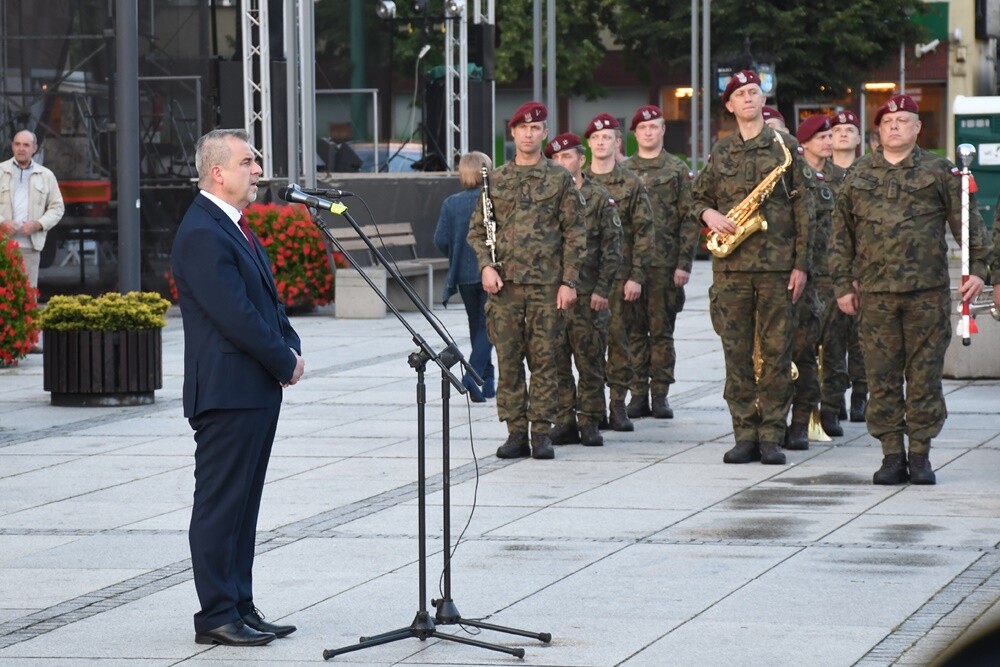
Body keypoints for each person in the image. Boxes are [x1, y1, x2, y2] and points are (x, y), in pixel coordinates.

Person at [171, 128, 304, 646]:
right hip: (228, 391)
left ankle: (240, 604)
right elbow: (236, 316)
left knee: (244, 507)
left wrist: (288, 347)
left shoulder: (234, 225)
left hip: (253, 388)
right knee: (221, 506)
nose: (257, 171)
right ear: (218, 172)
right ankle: (216, 616)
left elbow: (267, 302)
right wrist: (282, 359)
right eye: (248, 161)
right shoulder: (203, 230)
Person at [829, 94, 992, 485]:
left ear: (918, 128)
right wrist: (841, 284)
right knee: (881, 377)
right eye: (888, 122)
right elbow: (840, 235)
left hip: (926, 295)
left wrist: (980, 270)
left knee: (923, 377)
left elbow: (967, 226)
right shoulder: (859, 174)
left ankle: (919, 454)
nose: (895, 127)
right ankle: (890, 455)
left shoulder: (940, 172)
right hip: (875, 295)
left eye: (904, 120)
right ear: (878, 130)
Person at [691, 70, 812, 466]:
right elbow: (695, 199)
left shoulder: (786, 147)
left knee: (777, 353)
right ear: (729, 105)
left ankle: (772, 435)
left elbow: (804, 209)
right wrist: (709, 213)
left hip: (777, 269)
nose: (747, 99)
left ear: (763, 99)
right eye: (740, 94)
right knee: (736, 352)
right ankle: (744, 433)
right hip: (732, 269)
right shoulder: (721, 152)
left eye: (754, 92)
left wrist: (801, 265)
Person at [467, 102, 585, 460]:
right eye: (523, 128)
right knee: (509, 359)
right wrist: (486, 266)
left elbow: (575, 233)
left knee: (545, 360)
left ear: (544, 133)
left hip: (547, 286)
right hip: (504, 287)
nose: (529, 134)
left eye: (536, 129)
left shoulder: (560, 178)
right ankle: (515, 430)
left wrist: (569, 281)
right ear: (513, 133)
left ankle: (541, 432)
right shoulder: (496, 179)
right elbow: (477, 230)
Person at [545, 132, 622, 447]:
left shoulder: (599, 197)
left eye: (568, 157)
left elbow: (612, 247)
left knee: (590, 360)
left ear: (581, 160)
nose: (563, 163)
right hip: (552, 296)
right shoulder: (544, 197)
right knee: (557, 359)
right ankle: (564, 419)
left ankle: (590, 420)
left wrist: (603, 289)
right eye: (557, 158)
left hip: (589, 293)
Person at [623, 105, 698, 420]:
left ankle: (660, 394)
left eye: (654, 127)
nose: (649, 132)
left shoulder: (676, 169)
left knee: (662, 333)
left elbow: (689, 217)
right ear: (635, 133)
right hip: (630, 268)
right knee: (633, 333)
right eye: (643, 128)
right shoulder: (624, 170)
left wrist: (684, 263)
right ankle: (637, 393)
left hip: (665, 266)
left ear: (663, 130)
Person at [585, 112, 654, 431]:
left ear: (617, 143)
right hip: (584, 279)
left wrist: (637, 276)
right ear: (589, 144)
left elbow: (644, 230)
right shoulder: (577, 182)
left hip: (620, 278)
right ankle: (593, 406)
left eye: (607, 137)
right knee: (588, 345)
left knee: (620, 342)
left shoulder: (631, 182)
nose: (601, 142)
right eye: (596, 138)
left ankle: (617, 404)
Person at [784, 114, 843, 449]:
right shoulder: (793, 178)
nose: (828, 141)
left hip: (825, 279)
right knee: (786, 351)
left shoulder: (832, 179)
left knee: (808, 351)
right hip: (795, 275)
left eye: (830, 136)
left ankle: (802, 421)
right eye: (821, 137)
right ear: (803, 143)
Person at [433, 151, 495, 402]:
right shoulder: (492, 199)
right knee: (490, 327)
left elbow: (440, 239)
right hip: (491, 270)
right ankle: (473, 375)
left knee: (477, 325)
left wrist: (456, 254)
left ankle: (486, 384)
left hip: (464, 274)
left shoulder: (451, 203)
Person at [829, 109, 868, 424]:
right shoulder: (817, 174)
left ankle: (860, 396)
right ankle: (834, 397)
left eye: (849, 129)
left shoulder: (869, 173)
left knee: (861, 339)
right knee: (830, 339)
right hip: (827, 271)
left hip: (862, 271)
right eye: (836, 129)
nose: (842, 134)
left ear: (859, 138)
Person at [0, 129, 64, 291]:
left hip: (30, 247)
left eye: (26, 145)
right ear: (12, 146)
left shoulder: (46, 175)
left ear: (35, 148)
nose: (21, 148)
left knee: (27, 296)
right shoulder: (1, 171)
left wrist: (38, 224)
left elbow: (57, 207)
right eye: (17, 144)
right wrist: (2, 222)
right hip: (2, 245)